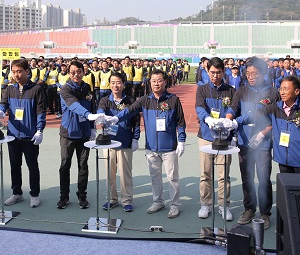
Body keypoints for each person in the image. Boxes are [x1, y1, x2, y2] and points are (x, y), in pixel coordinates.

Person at [116, 69, 187, 219]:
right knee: (155, 177)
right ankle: (158, 201)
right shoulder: (144, 100)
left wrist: (181, 140)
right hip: (151, 148)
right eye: (153, 81)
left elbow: (180, 121)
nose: (156, 83)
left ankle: (175, 205)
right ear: (150, 82)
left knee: (172, 178)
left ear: (165, 81)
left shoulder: (173, 100)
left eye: (159, 80)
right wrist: (115, 119)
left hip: (169, 148)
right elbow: (129, 110)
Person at [0, 58, 46, 208]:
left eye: (19, 71)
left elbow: (41, 112)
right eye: (13, 72)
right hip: (13, 135)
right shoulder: (9, 89)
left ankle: (34, 194)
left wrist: (39, 130)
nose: (16, 74)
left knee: (32, 166)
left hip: (30, 136)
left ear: (27, 71)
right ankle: (17, 193)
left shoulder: (37, 89)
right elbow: (3, 105)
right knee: (15, 165)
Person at [234, 57, 280, 230]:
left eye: (255, 73)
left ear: (264, 73)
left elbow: (276, 118)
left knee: (263, 179)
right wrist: (229, 122)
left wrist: (264, 132)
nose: (251, 76)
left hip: (263, 143)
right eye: (248, 73)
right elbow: (233, 109)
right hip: (245, 142)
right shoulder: (241, 91)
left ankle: (265, 213)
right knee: (247, 178)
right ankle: (249, 209)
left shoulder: (273, 92)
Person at [248, 76, 300, 174]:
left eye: (286, 89)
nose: (282, 92)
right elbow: (257, 114)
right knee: (285, 187)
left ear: (296, 91)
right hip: (282, 160)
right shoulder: (276, 108)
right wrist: (235, 121)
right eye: (281, 89)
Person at [195, 57, 237, 221]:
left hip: (224, 139)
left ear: (223, 72)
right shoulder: (202, 89)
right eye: (212, 72)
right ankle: (205, 204)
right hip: (206, 137)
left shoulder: (231, 91)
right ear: (207, 71)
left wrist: (232, 134)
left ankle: (223, 205)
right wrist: (208, 119)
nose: (215, 76)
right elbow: (199, 107)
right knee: (205, 173)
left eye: (218, 72)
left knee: (223, 175)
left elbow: (234, 110)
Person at [57, 60, 98, 209]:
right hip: (68, 133)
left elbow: (92, 106)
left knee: (83, 166)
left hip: (84, 134)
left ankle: (82, 195)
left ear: (83, 72)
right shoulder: (65, 89)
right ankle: (64, 196)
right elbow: (74, 105)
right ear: (69, 73)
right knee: (65, 165)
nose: (76, 74)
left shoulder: (87, 87)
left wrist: (92, 127)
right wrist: (87, 115)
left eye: (78, 71)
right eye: (72, 72)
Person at [97, 71, 141, 212]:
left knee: (125, 173)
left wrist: (135, 138)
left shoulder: (130, 101)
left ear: (123, 84)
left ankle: (127, 200)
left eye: (118, 82)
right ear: (109, 85)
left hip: (124, 141)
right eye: (113, 82)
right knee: (110, 173)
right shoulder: (105, 100)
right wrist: (100, 116)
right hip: (108, 142)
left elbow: (136, 121)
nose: (115, 85)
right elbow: (100, 111)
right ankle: (112, 199)